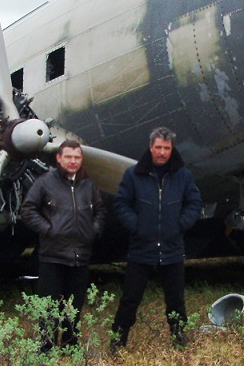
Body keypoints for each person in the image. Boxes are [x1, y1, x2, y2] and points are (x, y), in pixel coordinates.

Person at [110, 127, 203, 350]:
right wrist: (137, 226)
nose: (162, 152)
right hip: (141, 248)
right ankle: (118, 341)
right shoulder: (133, 174)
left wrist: (180, 225)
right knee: (130, 298)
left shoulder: (183, 176)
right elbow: (121, 204)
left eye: (166, 148)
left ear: (172, 149)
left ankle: (179, 338)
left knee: (176, 300)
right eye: (158, 147)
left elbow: (195, 203)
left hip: (172, 248)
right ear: (151, 147)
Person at [19, 139, 106, 352]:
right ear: (59, 158)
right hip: (52, 256)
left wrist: (93, 230)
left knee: (74, 306)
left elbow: (100, 211)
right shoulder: (45, 182)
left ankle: (69, 346)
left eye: (77, 157)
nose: (72, 161)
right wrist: (49, 230)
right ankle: (46, 348)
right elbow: (28, 210)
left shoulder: (88, 184)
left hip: (80, 256)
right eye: (68, 157)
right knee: (49, 306)